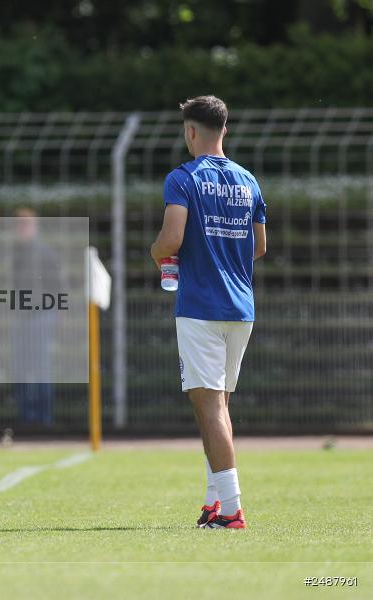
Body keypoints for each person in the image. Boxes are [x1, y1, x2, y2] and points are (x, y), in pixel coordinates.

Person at [150, 96, 266, 529]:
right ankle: (213, 504)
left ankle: (232, 511)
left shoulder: (183, 177)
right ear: (225, 130)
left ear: (191, 132)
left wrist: (157, 253)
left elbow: (171, 239)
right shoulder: (248, 180)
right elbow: (259, 247)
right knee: (219, 408)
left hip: (200, 306)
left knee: (210, 409)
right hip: (241, 306)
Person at [11, 207, 62, 426]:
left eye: (26, 224)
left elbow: (58, 287)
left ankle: (44, 419)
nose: (22, 229)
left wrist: (58, 317)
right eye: (19, 225)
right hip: (23, 317)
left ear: (35, 226)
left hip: (42, 316)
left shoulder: (46, 253)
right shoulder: (16, 254)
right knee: (21, 367)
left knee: (41, 368)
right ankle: (28, 418)